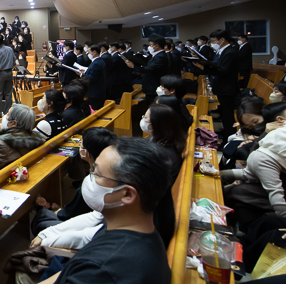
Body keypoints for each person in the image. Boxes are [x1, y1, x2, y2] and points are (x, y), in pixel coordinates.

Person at [40, 138, 172, 284]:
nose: (90, 179)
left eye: (96, 174)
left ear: (127, 194)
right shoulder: (132, 229)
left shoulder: (101, 270)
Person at [31, 128, 117, 241]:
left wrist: (58, 212)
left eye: (81, 144)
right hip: (100, 221)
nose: (80, 146)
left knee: (42, 217)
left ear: (85, 153)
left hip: (88, 227)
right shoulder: (114, 171)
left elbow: (72, 215)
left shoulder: (91, 185)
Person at [222, 102, 286, 222]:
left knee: (237, 192)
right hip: (273, 175)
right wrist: (265, 133)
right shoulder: (278, 127)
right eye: (249, 126)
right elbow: (255, 154)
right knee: (235, 191)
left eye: (255, 122)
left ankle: (282, 221)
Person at [193, 29, 240, 145]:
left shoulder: (230, 52)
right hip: (222, 88)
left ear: (222, 40)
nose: (212, 43)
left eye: (214, 41)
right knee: (224, 115)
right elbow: (216, 65)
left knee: (228, 117)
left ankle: (229, 141)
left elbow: (224, 71)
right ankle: (226, 136)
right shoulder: (222, 51)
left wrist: (205, 68)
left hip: (227, 89)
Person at [0, 104, 45, 175]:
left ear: (14, 123)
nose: (5, 116)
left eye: (7, 114)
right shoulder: (37, 137)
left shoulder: (2, 145)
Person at [140, 104, 186, 182]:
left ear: (156, 124)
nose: (143, 120)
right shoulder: (170, 138)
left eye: (146, 118)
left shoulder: (161, 155)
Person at [124, 34, 169, 106]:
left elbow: (149, 69)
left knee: (153, 105)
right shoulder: (157, 55)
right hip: (150, 86)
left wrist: (133, 66)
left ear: (157, 46)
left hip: (153, 86)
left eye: (151, 45)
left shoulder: (160, 56)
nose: (150, 46)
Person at [76, 45, 106, 110]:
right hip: (98, 91)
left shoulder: (96, 63)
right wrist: (85, 72)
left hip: (95, 92)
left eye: (89, 52)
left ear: (94, 52)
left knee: (96, 109)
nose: (88, 54)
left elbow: (92, 78)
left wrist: (82, 75)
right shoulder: (99, 61)